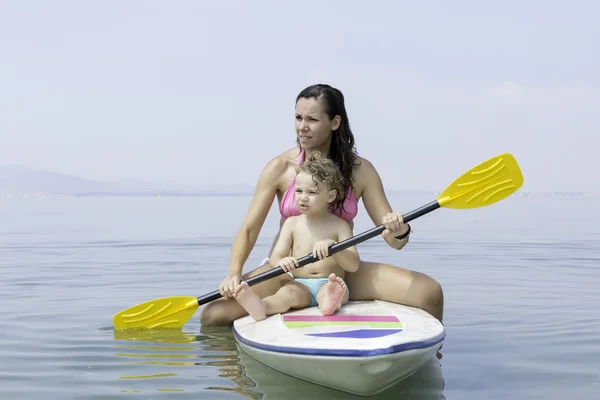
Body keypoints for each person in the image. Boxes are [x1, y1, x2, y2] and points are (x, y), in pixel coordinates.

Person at [199, 83, 444, 326]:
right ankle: (235, 362)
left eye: (312, 120)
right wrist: (234, 273)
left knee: (429, 292)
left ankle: (434, 360)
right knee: (213, 315)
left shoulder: (361, 171)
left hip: (340, 272)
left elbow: (393, 239)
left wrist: (400, 231)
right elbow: (249, 230)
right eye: (298, 117)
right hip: (287, 271)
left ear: (334, 122)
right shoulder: (280, 168)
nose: (302, 127)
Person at [230, 151, 360, 321]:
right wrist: (282, 262)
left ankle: (330, 302)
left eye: (312, 193)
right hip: (301, 283)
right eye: (299, 191)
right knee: (286, 294)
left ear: (330, 196)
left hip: (330, 281)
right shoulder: (292, 224)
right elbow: (276, 257)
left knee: (334, 291)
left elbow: (353, 265)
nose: (303, 198)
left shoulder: (340, 226)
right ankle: (261, 306)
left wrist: (334, 248)